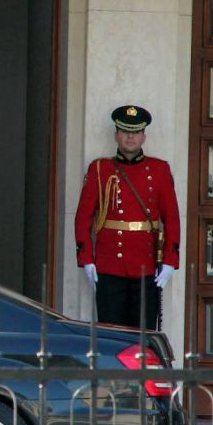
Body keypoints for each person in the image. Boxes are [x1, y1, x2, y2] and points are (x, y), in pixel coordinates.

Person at [73, 105, 180, 329]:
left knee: (143, 333)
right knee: (110, 332)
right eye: (124, 131)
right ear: (116, 135)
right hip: (109, 264)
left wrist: (170, 260)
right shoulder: (100, 170)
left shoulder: (159, 170)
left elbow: (172, 219)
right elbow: (83, 218)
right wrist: (87, 259)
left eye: (135, 132)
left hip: (146, 263)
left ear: (143, 136)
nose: (130, 137)